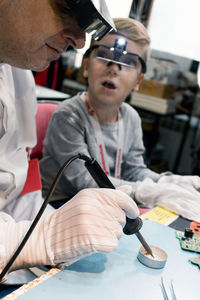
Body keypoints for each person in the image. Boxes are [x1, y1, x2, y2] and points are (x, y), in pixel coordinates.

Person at [0, 0, 139, 284]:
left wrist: (41, 256)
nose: (78, 42)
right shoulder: (69, 114)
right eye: (66, 8)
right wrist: (36, 240)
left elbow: (19, 182)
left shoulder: (19, 76)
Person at [40, 17, 200, 223]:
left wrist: (169, 181)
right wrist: (148, 192)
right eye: (104, 55)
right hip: (60, 206)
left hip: (105, 204)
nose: (114, 68)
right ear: (86, 66)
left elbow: (134, 170)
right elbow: (86, 182)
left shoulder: (131, 117)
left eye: (128, 62)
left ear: (138, 81)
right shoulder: (68, 115)